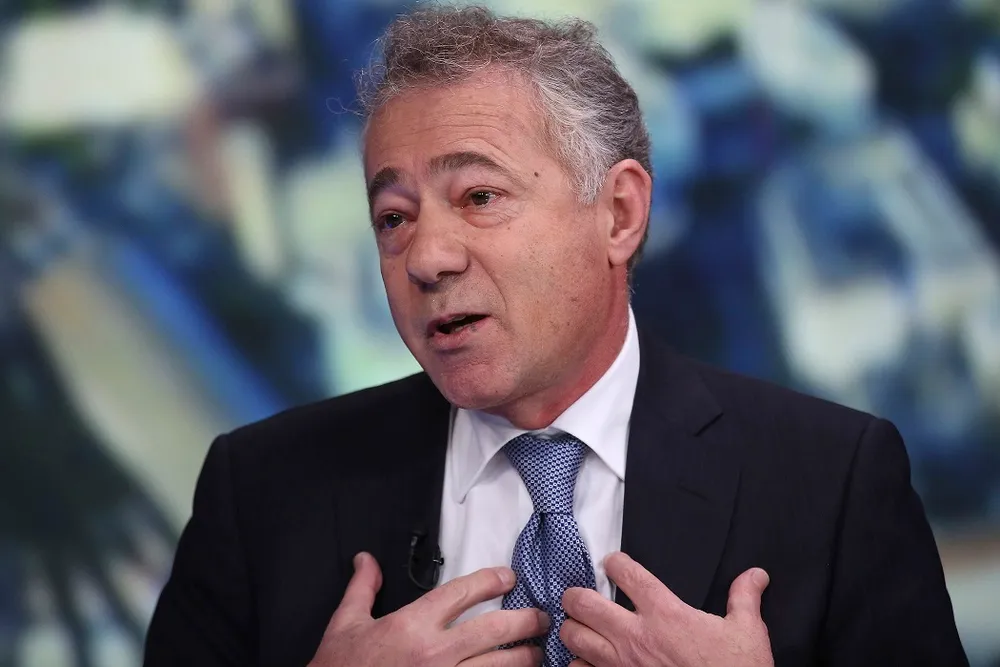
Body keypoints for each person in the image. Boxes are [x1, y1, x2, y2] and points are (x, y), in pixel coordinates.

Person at [144, 6, 968, 667]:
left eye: (479, 197)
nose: (425, 256)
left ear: (619, 214)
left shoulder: (833, 482)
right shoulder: (261, 492)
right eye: (393, 217)